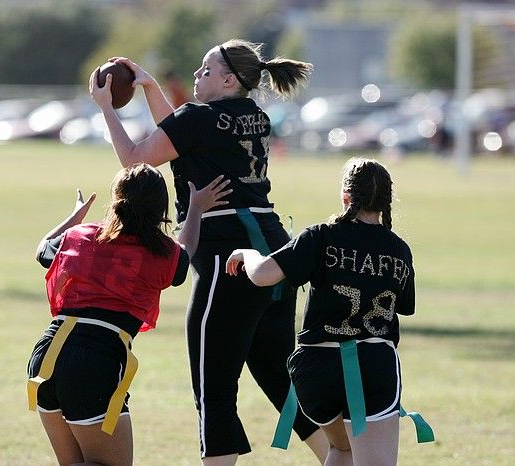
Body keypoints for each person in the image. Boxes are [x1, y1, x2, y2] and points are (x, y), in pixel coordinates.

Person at [89, 39, 327, 465]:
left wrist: (106, 107)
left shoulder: (198, 119)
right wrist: (147, 87)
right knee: (277, 377)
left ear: (229, 79)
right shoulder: (255, 115)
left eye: (206, 69)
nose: (198, 75)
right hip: (273, 251)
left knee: (213, 387)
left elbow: (136, 159)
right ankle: (339, 457)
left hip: (227, 256)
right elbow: (181, 137)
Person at [27, 163, 232, 466]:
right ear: (159, 208)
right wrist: (196, 209)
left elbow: (43, 250)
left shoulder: (80, 234)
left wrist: (75, 217)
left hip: (46, 354)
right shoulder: (160, 251)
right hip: (94, 360)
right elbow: (185, 252)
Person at [226, 157, 416, 466]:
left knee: (342, 450)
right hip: (372, 367)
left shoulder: (321, 235)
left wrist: (246, 253)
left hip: (316, 369)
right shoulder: (398, 249)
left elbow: (262, 275)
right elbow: (404, 307)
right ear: (386, 202)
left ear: (346, 197)